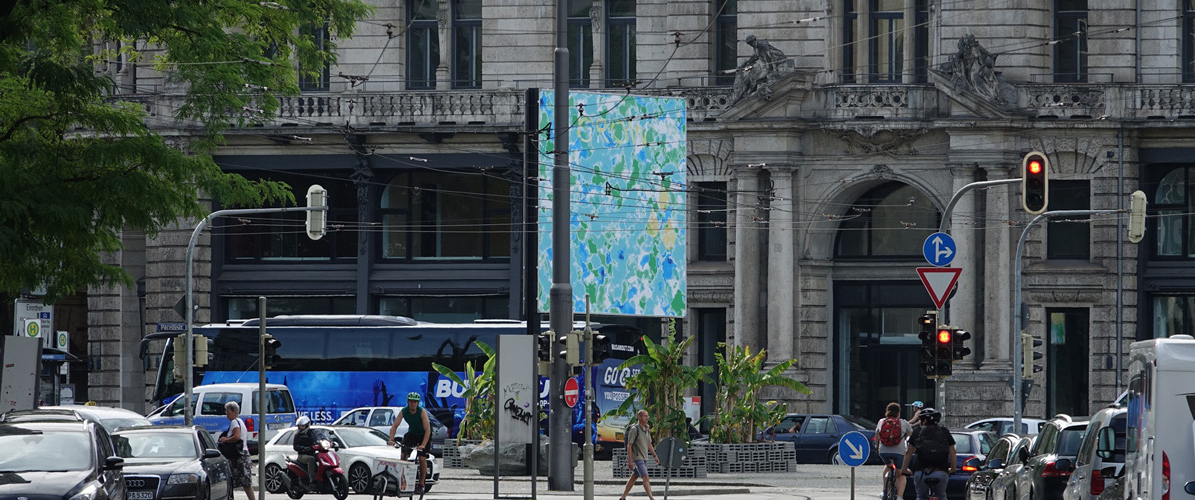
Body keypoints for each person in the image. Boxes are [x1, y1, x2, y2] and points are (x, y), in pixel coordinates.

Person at [899, 407, 956, 500]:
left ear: (925, 421)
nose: (919, 422)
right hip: (941, 471)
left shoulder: (917, 432)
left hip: (921, 471)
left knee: (921, 496)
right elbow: (952, 451)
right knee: (942, 496)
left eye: (920, 420)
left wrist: (904, 470)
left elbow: (908, 452)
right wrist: (952, 469)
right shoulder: (944, 431)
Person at [387, 392, 432, 494]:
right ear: (407, 402)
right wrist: (391, 439)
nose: (413, 404)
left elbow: (428, 430)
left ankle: (421, 483)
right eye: (411, 401)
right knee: (403, 454)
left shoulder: (422, 412)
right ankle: (403, 479)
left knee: (422, 457)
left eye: (415, 402)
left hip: (424, 434)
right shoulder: (404, 411)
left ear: (418, 403)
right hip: (413, 433)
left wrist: (423, 445)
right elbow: (394, 426)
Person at [619, 409, 660, 500]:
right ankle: (651, 498)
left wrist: (654, 455)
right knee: (645, 477)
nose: (647, 418)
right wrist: (630, 460)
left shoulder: (647, 428)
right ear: (639, 417)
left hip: (644, 456)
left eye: (647, 416)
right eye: (645, 416)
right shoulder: (635, 429)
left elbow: (649, 443)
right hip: (637, 457)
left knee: (633, 477)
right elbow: (629, 446)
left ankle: (623, 497)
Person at [218, 401, 255, 500]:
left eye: (228, 412)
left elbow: (237, 437)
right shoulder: (241, 422)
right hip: (243, 453)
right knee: (246, 482)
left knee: (234, 481)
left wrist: (226, 439)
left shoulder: (235, 422)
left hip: (238, 456)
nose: (226, 414)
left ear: (234, 412)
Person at [875, 402, 913, 498]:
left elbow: (876, 435)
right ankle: (899, 496)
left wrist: (877, 447)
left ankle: (884, 491)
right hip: (899, 453)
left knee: (887, 466)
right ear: (898, 412)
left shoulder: (881, 421)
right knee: (901, 474)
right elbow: (911, 434)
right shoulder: (903, 423)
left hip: (883, 452)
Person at [292, 416, 318, 485]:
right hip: (302, 455)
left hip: (312, 452)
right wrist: (303, 448)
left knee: (322, 457)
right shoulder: (298, 435)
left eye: (303, 426)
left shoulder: (312, 433)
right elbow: (295, 446)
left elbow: (319, 439)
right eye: (300, 426)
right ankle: (312, 479)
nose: (301, 427)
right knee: (311, 459)